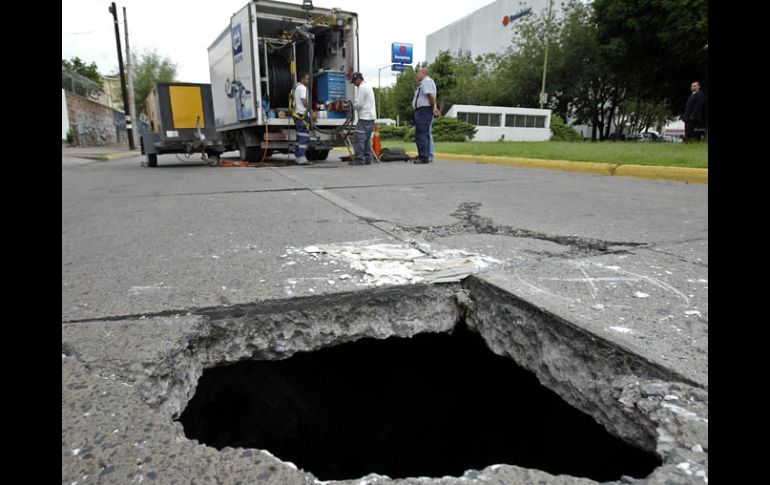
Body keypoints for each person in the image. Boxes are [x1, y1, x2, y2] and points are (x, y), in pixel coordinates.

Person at [412, 68, 441, 163]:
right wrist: (434, 107)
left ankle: (423, 157)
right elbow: (431, 97)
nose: (417, 75)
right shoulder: (426, 82)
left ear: (422, 73)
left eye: (418, 73)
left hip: (424, 110)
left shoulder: (426, 82)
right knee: (424, 133)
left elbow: (431, 97)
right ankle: (425, 155)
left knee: (421, 134)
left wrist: (433, 108)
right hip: (423, 110)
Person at [350, 72, 377, 165]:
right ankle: (368, 159)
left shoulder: (362, 87)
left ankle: (360, 159)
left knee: (359, 139)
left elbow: (359, 104)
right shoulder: (368, 86)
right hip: (371, 117)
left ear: (358, 79)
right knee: (367, 140)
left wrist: (353, 106)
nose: (355, 84)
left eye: (355, 82)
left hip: (364, 117)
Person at [291, 72, 316, 165]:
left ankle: (298, 157)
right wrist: (312, 112)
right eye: (307, 79)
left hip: (297, 116)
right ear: (302, 79)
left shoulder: (296, 87)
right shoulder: (303, 88)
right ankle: (301, 158)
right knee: (303, 137)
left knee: (299, 137)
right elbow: (304, 101)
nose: (308, 81)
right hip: (302, 116)